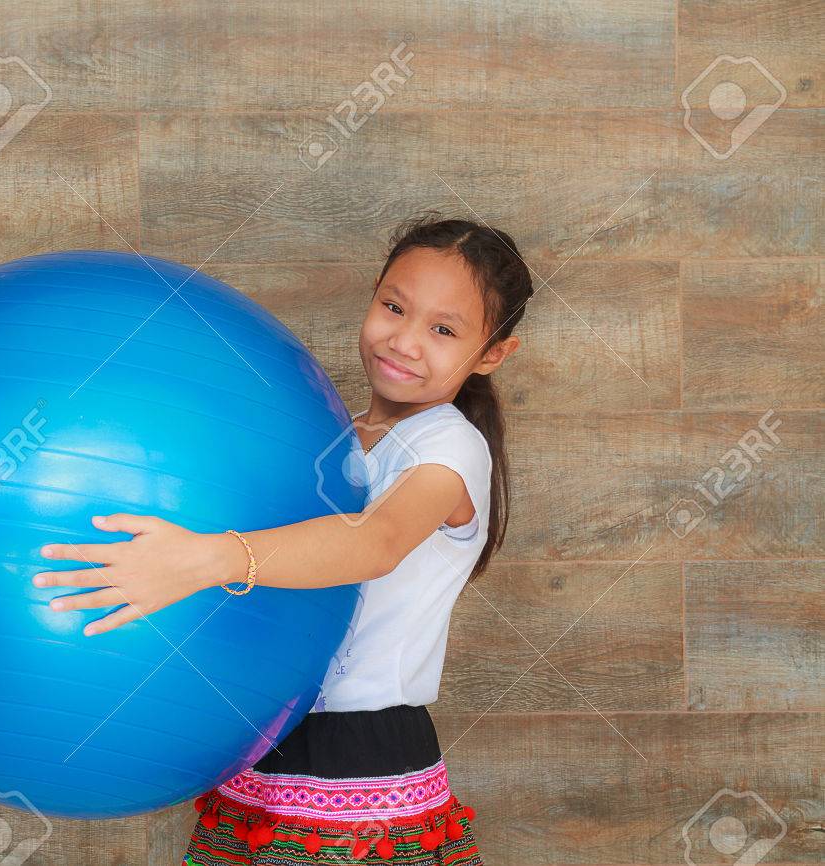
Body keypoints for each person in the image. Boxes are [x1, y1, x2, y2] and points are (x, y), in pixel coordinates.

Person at [32, 215, 534, 864]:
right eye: (394, 307)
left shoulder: (451, 444)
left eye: (443, 330)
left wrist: (201, 559)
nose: (405, 340)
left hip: (361, 763)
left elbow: (376, 541)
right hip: (261, 739)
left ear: (492, 354)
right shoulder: (331, 435)